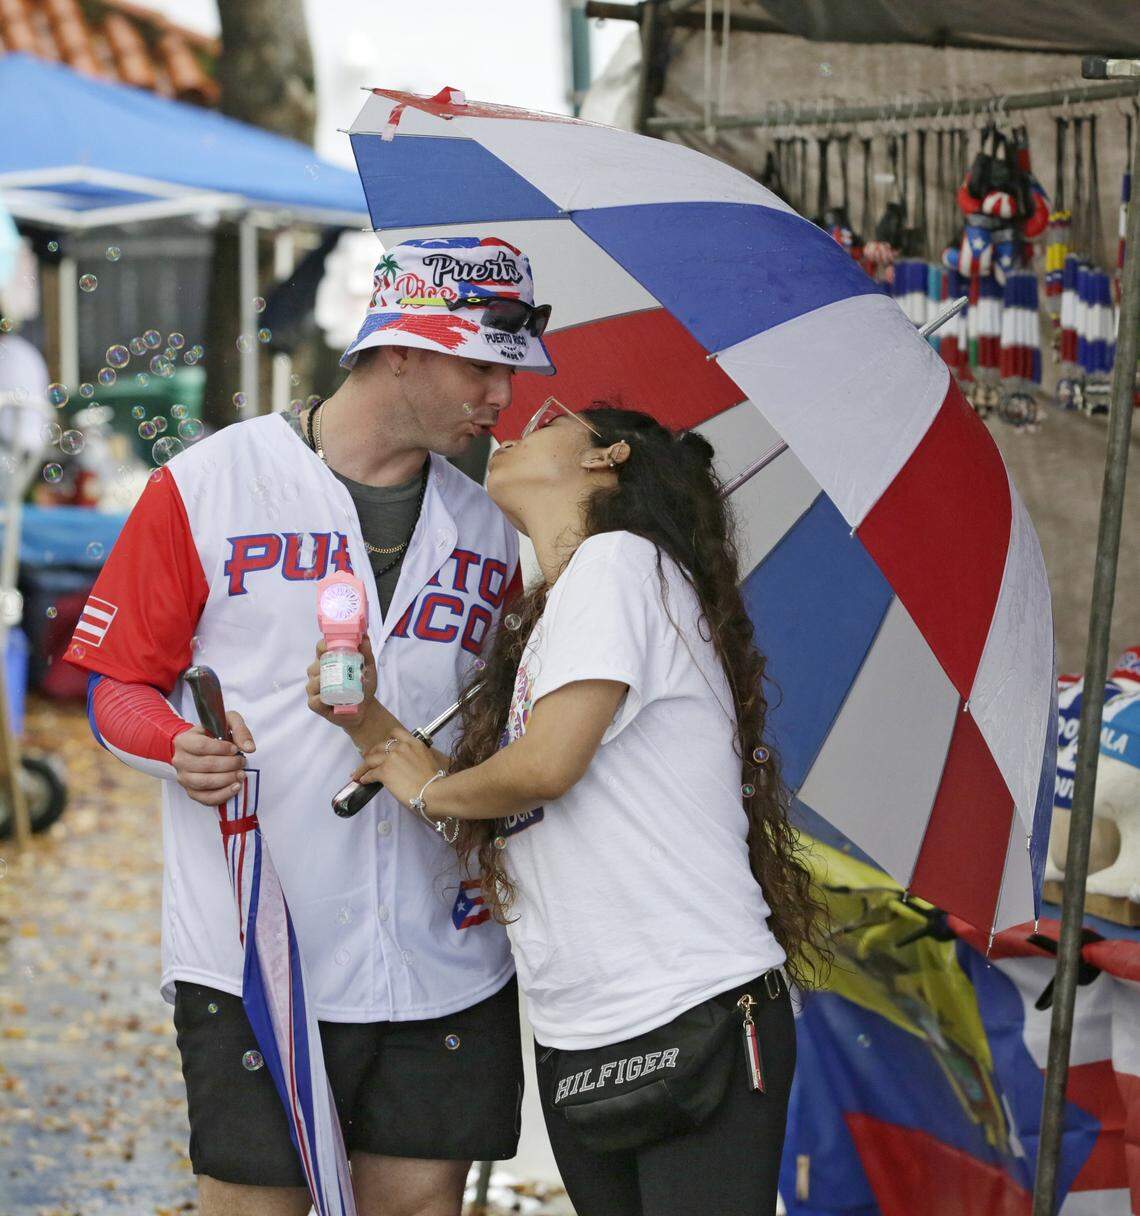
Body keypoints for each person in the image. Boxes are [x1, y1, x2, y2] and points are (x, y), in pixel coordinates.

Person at [64, 237, 556, 1216]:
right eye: (482, 366)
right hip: (253, 943)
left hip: (440, 951)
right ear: (400, 348)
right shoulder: (207, 487)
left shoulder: (500, 525)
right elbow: (118, 685)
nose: (501, 398)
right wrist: (177, 746)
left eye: (511, 372)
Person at [338, 399, 832, 1215]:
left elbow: (542, 769)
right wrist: (368, 721)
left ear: (607, 458)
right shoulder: (565, 602)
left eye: (547, 421)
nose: (516, 424)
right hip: (582, 1029)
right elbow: (508, 796)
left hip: (690, 1007)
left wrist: (428, 787)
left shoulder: (618, 564)